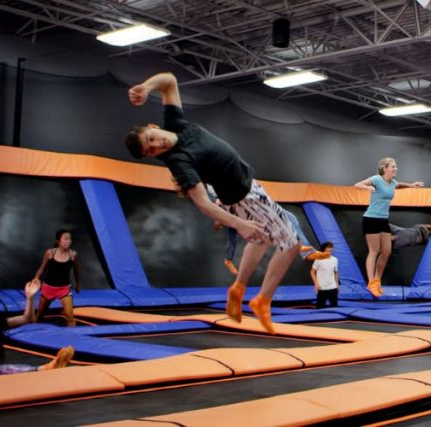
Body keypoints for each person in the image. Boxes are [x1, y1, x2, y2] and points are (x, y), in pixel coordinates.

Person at [125, 71, 301, 334]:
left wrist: (146, 86)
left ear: (153, 127)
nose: (158, 145)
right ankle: (263, 300)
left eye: (152, 139)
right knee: (292, 244)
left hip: (246, 191)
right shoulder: (179, 162)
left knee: (261, 238)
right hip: (246, 196)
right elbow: (203, 204)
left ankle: (238, 288)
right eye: (152, 151)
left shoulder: (175, 124)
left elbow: (170, 81)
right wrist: (238, 223)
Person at [0, 262, 74, 378]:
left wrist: (30, 297)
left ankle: (44, 368)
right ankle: (43, 369)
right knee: (1, 369)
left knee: (7, 369)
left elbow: (27, 318)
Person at [207, 185, 326, 276]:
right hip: (233, 212)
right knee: (234, 236)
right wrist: (218, 218)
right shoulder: (212, 186)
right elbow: (216, 202)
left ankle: (304, 251)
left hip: (243, 206)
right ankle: (228, 260)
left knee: (290, 217)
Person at [354, 157, 424, 297]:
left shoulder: (393, 183)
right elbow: (357, 184)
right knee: (374, 251)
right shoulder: (376, 179)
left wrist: (412, 185)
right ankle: (371, 283)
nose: (396, 169)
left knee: (386, 251)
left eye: (395, 166)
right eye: (393, 166)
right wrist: (367, 187)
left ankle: (377, 280)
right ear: (385, 168)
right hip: (371, 218)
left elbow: (399, 185)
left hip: (383, 220)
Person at [32, 229, 82, 327]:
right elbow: (42, 269)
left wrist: (78, 284)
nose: (69, 241)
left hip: (64, 289)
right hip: (48, 288)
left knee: (70, 316)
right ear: (58, 241)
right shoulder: (50, 253)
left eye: (70, 239)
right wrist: (35, 279)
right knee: (40, 315)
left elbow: (77, 271)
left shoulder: (73, 255)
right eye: (66, 239)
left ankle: (73, 338)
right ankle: (32, 333)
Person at [311, 242, 339, 309]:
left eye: (331, 247)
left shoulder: (335, 259)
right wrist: (316, 284)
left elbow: (336, 272)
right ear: (324, 249)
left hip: (333, 288)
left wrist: (337, 285)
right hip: (322, 288)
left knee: (334, 307)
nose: (330, 249)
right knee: (320, 308)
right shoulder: (318, 259)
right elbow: (312, 272)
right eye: (328, 247)